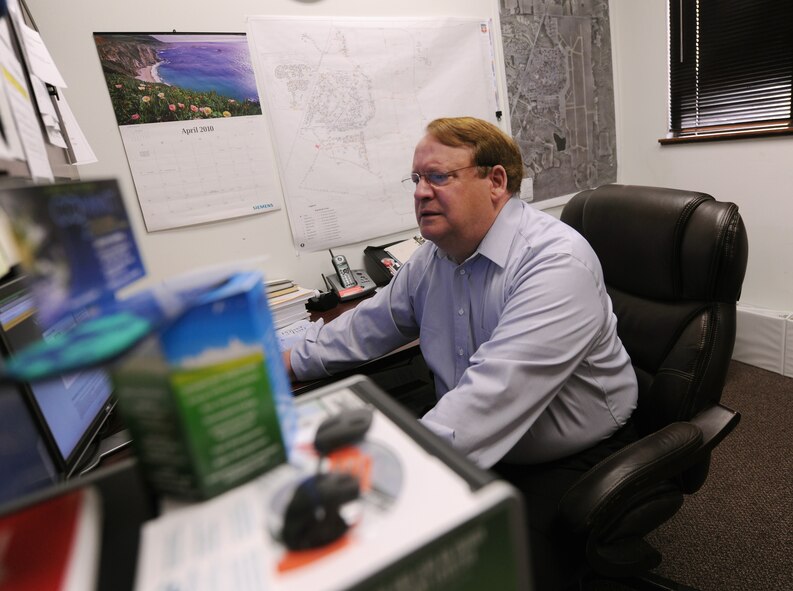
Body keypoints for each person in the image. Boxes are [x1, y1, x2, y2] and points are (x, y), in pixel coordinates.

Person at [284, 116, 638, 587]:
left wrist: (360, 482)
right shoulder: (434, 256)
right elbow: (361, 329)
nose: (421, 192)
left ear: (495, 182)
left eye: (438, 177)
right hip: (475, 433)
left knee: (472, 571)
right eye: (416, 179)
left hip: (570, 452)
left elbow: (488, 398)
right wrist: (279, 360)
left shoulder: (554, 262)